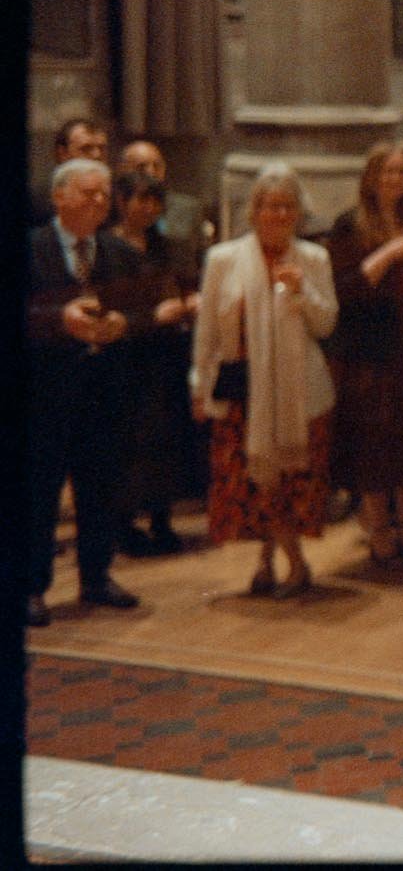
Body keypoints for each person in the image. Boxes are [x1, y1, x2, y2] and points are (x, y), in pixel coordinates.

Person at [190, 164, 340, 601]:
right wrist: (198, 384)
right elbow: (208, 332)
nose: (278, 215)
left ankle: (288, 562)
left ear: (298, 213)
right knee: (254, 484)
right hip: (242, 387)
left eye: (287, 207)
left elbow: (327, 323)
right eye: (269, 206)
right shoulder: (223, 259)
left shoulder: (314, 259)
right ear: (253, 211)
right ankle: (272, 561)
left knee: (289, 484)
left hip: (300, 393)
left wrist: (301, 293)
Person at [26, 158, 156, 626]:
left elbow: (148, 311)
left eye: (104, 194)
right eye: (88, 193)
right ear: (60, 197)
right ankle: (31, 587)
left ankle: (96, 577)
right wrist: (61, 321)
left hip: (103, 391)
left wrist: (125, 324)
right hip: (43, 392)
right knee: (39, 493)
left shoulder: (119, 253)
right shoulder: (31, 249)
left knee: (100, 487)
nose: (99, 202)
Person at [325, 142, 403, 565]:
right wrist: (390, 253)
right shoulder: (350, 226)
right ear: (372, 177)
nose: (399, 179)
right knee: (374, 439)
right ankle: (378, 525)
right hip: (372, 347)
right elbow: (344, 289)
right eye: (390, 172)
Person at [107, 171, 204, 558]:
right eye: (140, 199)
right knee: (129, 442)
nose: (148, 207)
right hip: (127, 357)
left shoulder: (169, 246)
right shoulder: (108, 248)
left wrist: (191, 302)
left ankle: (162, 519)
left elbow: (188, 284)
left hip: (165, 355)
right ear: (122, 201)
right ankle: (124, 524)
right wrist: (153, 317)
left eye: (154, 200)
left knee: (167, 438)